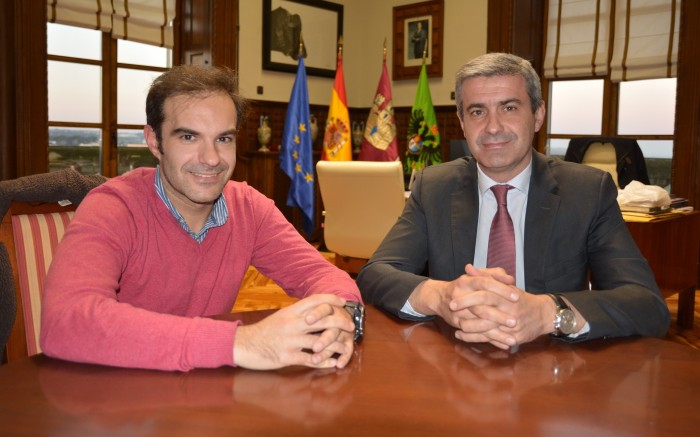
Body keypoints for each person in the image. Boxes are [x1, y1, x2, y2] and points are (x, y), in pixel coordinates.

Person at [40, 65, 362, 371]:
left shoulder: (250, 208)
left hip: (204, 397)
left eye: (223, 139)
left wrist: (339, 318)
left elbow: (325, 277)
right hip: (117, 403)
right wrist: (242, 342)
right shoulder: (113, 207)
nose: (211, 159)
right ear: (154, 141)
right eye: (188, 137)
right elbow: (66, 322)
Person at [356, 53, 669, 350]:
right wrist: (439, 296)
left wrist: (549, 312)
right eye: (478, 112)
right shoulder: (434, 187)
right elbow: (375, 274)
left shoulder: (586, 191)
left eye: (509, 108)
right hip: (454, 363)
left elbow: (647, 304)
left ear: (537, 115)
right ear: (463, 123)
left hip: (551, 367)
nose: (493, 127)